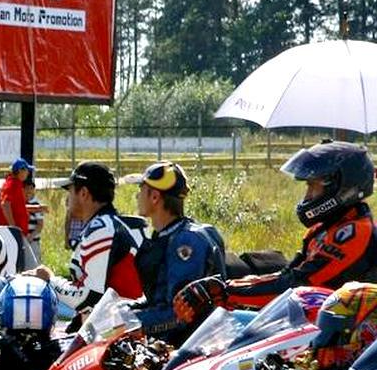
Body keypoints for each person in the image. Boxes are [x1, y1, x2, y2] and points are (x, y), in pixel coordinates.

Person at [175, 141, 377, 322]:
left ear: (340, 187)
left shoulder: (354, 232)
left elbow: (297, 285)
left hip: (353, 338)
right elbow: (288, 274)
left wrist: (225, 291)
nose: (307, 196)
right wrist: (226, 288)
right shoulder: (323, 229)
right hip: (323, 325)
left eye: (313, 186)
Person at [32, 162, 147, 322]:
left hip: (117, 326)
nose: (67, 199)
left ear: (84, 193)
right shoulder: (118, 224)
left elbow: (90, 297)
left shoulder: (102, 229)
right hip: (122, 322)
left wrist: (50, 279)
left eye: (70, 191)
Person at [130, 160, 226, 343]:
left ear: (155, 197)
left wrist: (130, 322)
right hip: (187, 340)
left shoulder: (186, 241)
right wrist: (124, 311)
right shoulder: (172, 234)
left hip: (190, 345)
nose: (137, 195)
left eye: (141, 189)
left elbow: (181, 313)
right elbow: (161, 298)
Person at [0, 157, 32, 233]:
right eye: (27, 170)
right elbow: (5, 204)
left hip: (13, 232)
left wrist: (37, 208)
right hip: (10, 233)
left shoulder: (15, 183)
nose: (28, 173)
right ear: (20, 170)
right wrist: (14, 228)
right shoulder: (13, 184)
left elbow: (15, 206)